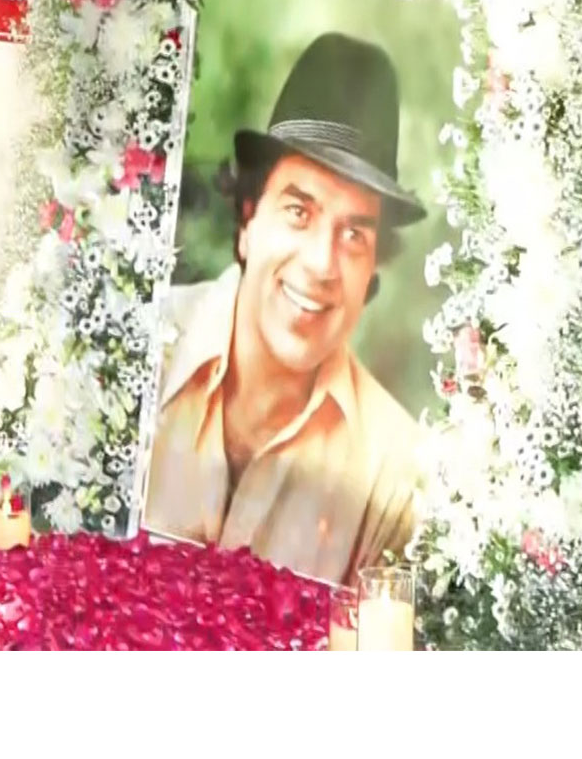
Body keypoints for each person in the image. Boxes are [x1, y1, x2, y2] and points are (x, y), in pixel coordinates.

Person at [143, 32, 423, 587]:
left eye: (354, 235)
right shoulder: (142, 347)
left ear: (373, 267)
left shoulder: (397, 474)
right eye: (299, 211)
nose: (321, 263)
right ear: (248, 220)